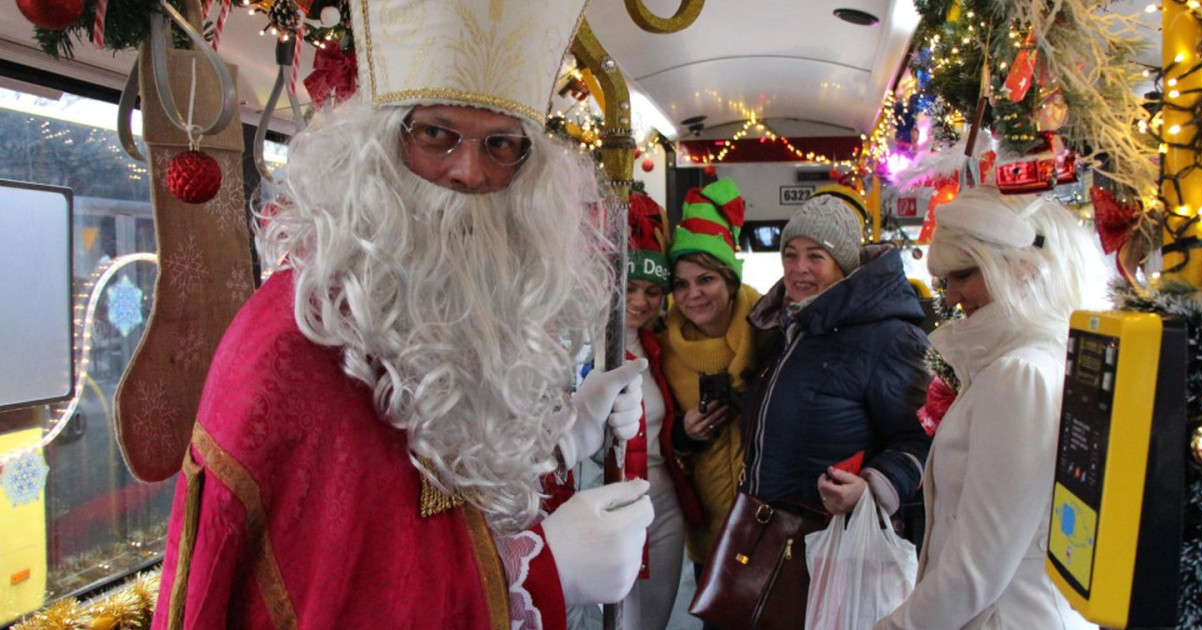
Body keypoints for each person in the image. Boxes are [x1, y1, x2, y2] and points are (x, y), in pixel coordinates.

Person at [150, 1, 655, 628]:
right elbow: (332, 594)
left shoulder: (443, 300)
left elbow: (439, 487)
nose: (468, 172)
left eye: (501, 145)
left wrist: (564, 436)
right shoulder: (298, 340)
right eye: (437, 134)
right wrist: (544, 570)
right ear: (379, 147)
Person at [873, 186, 1105, 630]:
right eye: (948, 281)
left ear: (1016, 268)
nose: (954, 297)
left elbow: (978, 566)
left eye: (964, 274)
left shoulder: (1019, 374)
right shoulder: (1034, 361)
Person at [744, 192, 931, 524]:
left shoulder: (889, 338)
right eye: (790, 254)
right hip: (769, 533)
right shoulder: (785, 327)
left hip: (834, 541)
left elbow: (922, 440)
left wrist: (872, 487)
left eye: (816, 256)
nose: (798, 268)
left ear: (843, 267)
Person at [658, 178, 761, 586]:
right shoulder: (663, 346)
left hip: (771, 522)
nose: (692, 295)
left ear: (729, 281)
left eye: (706, 280)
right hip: (708, 528)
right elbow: (653, 437)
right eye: (681, 283)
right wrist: (684, 434)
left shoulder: (768, 330)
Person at [617, 192, 705, 630]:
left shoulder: (663, 343)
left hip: (663, 503)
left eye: (653, 291)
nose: (641, 301)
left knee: (650, 621)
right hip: (602, 501)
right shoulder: (574, 344)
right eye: (630, 288)